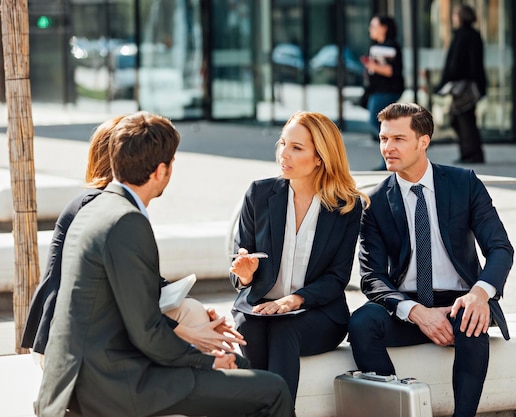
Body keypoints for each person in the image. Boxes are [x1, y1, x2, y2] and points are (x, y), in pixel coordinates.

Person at [35, 111, 293, 417]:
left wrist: (197, 345)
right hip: (115, 384)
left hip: (82, 377)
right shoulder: (126, 220)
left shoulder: (96, 207)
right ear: (160, 170)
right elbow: (146, 332)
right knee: (273, 389)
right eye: (172, 163)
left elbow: (124, 311)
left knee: (243, 371)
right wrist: (206, 360)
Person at [21, 116, 244, 369]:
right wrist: (186, 332)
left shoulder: (109, 204)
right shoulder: (97, 208)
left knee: (193, 312)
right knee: (192, 329)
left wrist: (199, 319)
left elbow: (139, 283)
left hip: (82, 333)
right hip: (64, 343)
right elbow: (124, 303)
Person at [348, 103, 513, 417]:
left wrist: (480, 294)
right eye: (383, 139)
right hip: (408, 305)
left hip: (461, 301)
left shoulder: (464, 183)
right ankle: (395, 408)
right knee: (361, 323)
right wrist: (416, 313)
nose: (387, 148)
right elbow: (371, 276)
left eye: (398, 139)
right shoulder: (376, 201)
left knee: (471, 321)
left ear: (423, 142)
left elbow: (500, 248)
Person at [229, 111, 369, 404]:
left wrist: (294, 300)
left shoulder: (346, 206)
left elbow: (337, 278)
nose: (284, 154)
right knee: (250, 327)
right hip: (259, 309)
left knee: (284, 327)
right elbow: (240, 268)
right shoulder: (259, 193)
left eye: (296, 147)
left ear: (320, 157)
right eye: (282, 144)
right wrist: (245, 273)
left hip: (316, 314)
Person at [437, 4, 487, 164]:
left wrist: (445, 82)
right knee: (462, 118)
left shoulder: (463, 36)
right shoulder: (472, 35)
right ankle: (471, 152)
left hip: (464, 86)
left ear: (461, 17)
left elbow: (456, 63)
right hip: (469, 84)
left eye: (455, 15)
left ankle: (472, 153)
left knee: (463, 119)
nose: (453, 18)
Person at [361, 15, 405, 170]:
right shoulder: (377, 46)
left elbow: (391, 70)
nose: (370, 29)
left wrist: (372, 64)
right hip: (377, 91)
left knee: (379, 124)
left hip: (386, 91)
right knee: (382, 125)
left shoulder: (390, 46)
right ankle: (390, 158)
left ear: (384, 28)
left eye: (374, 26)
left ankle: (391, 157)